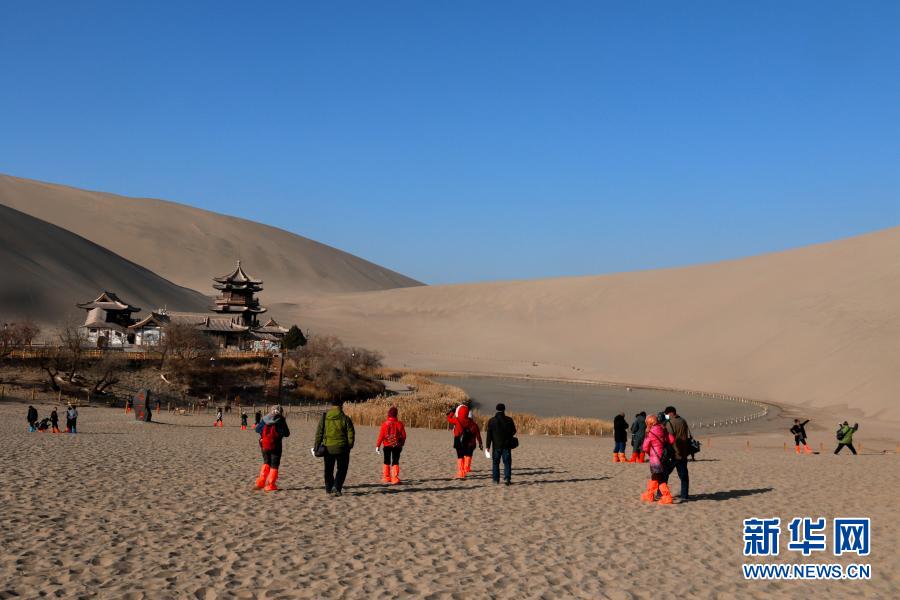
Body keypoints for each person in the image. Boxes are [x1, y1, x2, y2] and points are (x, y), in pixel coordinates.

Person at [314, 399, 355, 496]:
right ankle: (336, 487)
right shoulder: (346, 418)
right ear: (341, 406)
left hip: (328, 447)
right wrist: (349, 445)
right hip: (342, 448)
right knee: (342, 469)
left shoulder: (324, 417)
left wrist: (316, 446)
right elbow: (351, 433)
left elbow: (319, 433)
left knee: (328, 469)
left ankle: (329, 489)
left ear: (331, 405)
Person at [254, 405, 291, 491]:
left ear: (271, 410)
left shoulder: (265, 418)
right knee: (274, 465)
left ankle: (261, 482)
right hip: (276, 445)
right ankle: (270, 485)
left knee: (266, 462)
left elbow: (257, 429)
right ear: (280, 412)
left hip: (264, 444)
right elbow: (287, 433)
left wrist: (264, 435)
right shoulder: (281, 420)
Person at [641, 413, 676, 504]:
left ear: (649, 423)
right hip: (664, 456)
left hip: (655, 458)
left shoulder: (650, 432)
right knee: (655, 476)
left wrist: (647, 435)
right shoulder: (663, 429)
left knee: (659, 478)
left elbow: (645, 447)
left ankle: (667, 496)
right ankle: (649, 494)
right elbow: (672, 440)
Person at [446, 404, 483, 478]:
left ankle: (461, 472)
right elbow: (478, 434)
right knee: (467, 455)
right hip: (468, 441)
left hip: (458, 440)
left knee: (460, 456)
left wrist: (452, 412)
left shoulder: (457, 420)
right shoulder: (472, 423)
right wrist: (480, 443)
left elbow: (448, 419)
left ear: (459, 412)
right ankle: (466, 468)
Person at [663, 406, 691, 502]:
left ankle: (661, 493)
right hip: (684, 452)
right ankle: (684, 495)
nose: (666, 416)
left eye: (666, 414)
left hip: (673, 453)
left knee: (664, 474)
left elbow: (668, 439)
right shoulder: (683, 420)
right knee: (684, 475)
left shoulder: (670, 423)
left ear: (671, 413)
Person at [485, 403, 517, 485]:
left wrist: (487, 446)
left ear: (496, 409)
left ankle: (496, 480)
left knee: (495, 463)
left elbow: (489, 435)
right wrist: (508, 435)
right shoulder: (509, 420)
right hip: (506, 445)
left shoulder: (492, 420)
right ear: (504, 410)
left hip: (496, 445)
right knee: (507, 462)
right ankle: (507, 479)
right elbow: (514, 431)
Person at [375, 406, 407, 485]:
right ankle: (394, 478)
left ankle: (386, 477)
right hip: (397, 446)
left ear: (388, 414)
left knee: (386, 461)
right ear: (396, 414)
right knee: (395, 461)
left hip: (387, 445)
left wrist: (378, 446)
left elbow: (381, 436)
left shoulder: (384, 424)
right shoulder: (400, 424)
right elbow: (404, 436)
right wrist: (401, 443)